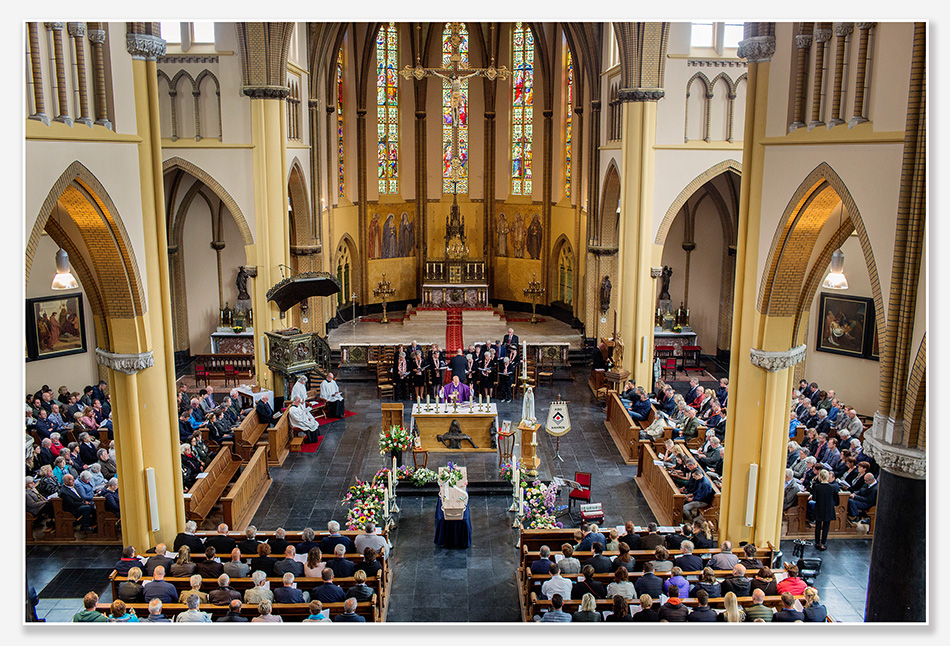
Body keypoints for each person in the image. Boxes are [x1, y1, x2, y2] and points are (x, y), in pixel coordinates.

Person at [810, 469, 840, 550]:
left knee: (818, 526)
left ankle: (817, 542)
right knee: (826, 527)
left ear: (820, 477)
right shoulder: (832, 487)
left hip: (819, 507)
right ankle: (823, 543)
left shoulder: (817, 487)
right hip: (828, 508)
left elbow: (815, 498)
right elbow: (836, 499)